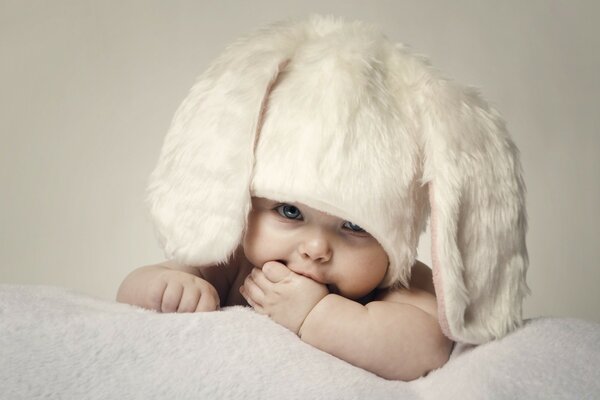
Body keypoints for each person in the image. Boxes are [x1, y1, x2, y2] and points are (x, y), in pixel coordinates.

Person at [117, 15, 529, 381]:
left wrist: (316, 315)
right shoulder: (230, 264)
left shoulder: (395, 287)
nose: (315, 248)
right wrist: (167, 287)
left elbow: (426, 350)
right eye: (290, 211)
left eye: (353, 226)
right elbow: (135, 290)